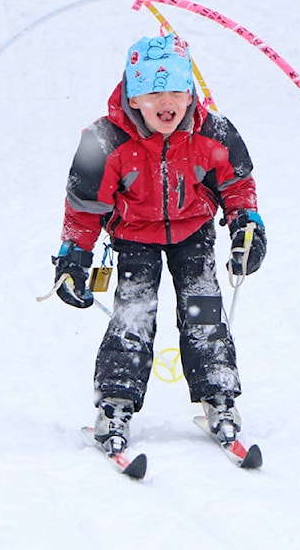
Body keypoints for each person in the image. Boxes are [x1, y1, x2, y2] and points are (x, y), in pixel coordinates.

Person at [52, 33, 266, 455]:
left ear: (189, 93)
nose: (165, 102)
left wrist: (247, 226)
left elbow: (237, 184)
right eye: (152, 91)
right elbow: (83, 206)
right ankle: (115, 403)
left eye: (174, 90)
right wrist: (74, 258)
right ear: (133, 97)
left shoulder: (214, 132)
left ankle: (219, 396)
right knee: (134, 314)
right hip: (133, 237)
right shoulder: (104, 141)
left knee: (204, 309)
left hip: (194, 232)